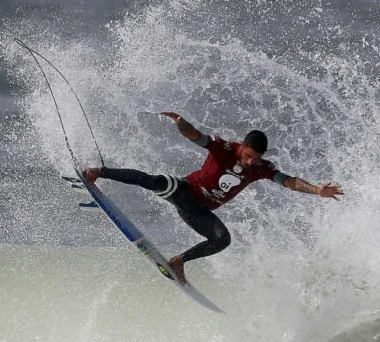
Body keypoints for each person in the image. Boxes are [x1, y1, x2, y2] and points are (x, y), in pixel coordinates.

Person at [83, 111, 343, 283]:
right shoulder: (225, 148)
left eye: (256, 158)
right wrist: (179, 121)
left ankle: (178, 261)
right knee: (152, 181)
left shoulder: (262, 168)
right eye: (248, 155)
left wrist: (317, 190)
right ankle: (98, 172)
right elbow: (194, 135)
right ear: (242, 145)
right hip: (184, 191)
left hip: (199, 211)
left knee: (223, 239)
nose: (251, 161)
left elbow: (287, 181)